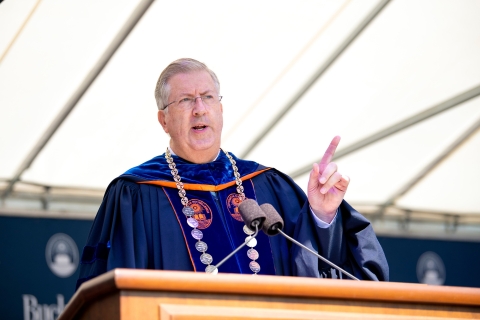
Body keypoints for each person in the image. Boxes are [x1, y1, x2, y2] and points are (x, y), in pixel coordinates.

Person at [76, 58, 388, 289]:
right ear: (164, 120)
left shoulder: (267, 186)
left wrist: (321, 216)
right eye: (186, 100)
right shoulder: (137, 195)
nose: (200, 108)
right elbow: (114, 294)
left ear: (221, 110)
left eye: (208, 97)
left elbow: (325, 275)